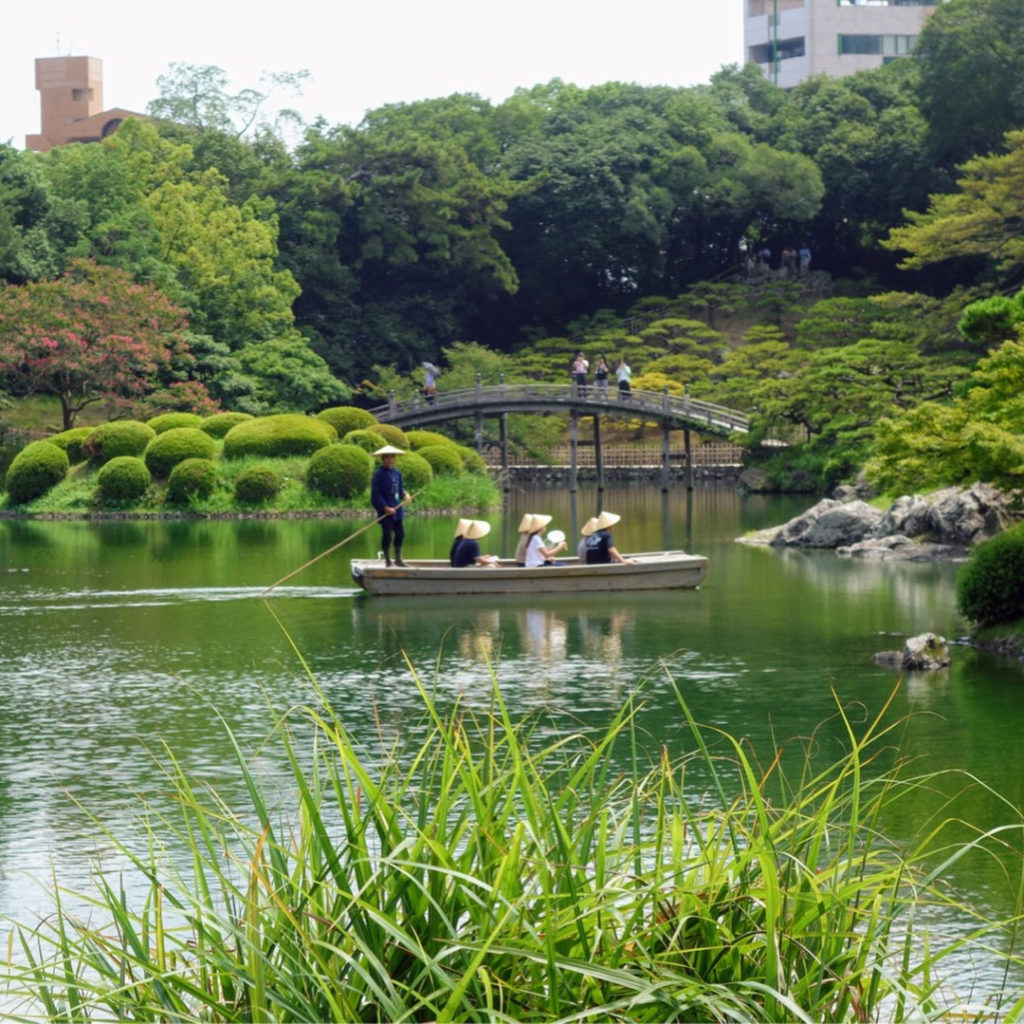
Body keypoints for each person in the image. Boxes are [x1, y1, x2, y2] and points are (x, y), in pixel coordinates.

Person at [370, 445, 412, 567]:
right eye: (387, 458)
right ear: (382, 459)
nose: (390, 460)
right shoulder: (378, 474)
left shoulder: (396, 473)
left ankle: (398, 559)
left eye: (391, 457)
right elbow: (375, 494)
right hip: (386, 511)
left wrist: (406, 495)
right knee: (387, 535)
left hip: (397, 509)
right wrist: (385, 508)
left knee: (400, 534)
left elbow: (399, 489)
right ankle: (388, 561)